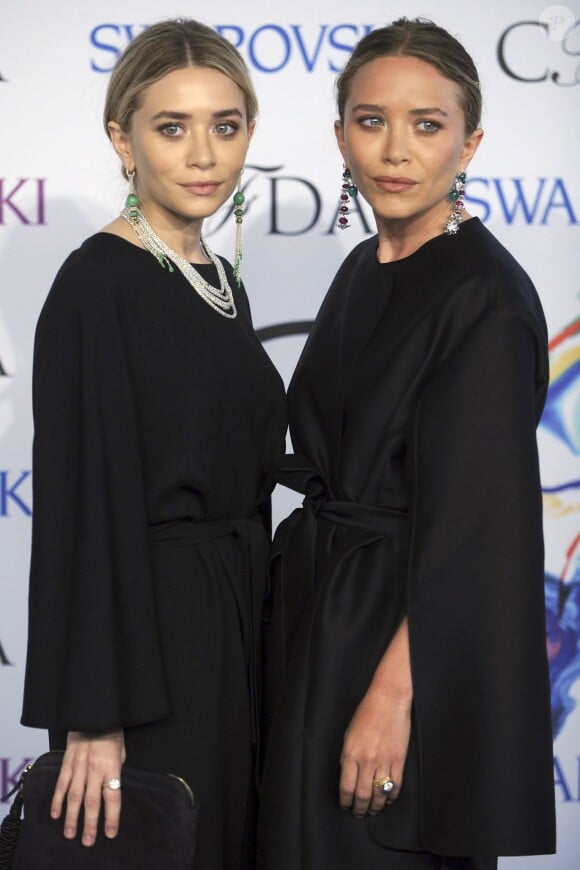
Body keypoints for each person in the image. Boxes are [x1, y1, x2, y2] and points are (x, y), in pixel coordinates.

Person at [258, 18, 555, 870]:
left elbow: (476, 535)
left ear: (470, 143)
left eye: (428, 124)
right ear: (340, 132)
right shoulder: (363, 266)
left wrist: (392, 700)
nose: (396, 149)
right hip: (321, 623)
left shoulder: (486, 299)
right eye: (371, 119)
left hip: (404, 646)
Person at [20, 18, 286, 870]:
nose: (203, 153)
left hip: (235, 631)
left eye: (225, 124)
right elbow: (81, 513)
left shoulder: (216, 279)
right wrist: (93, 714)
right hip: (153, 654)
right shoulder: (98, 283)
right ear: (122, 140)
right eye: (172, 127)